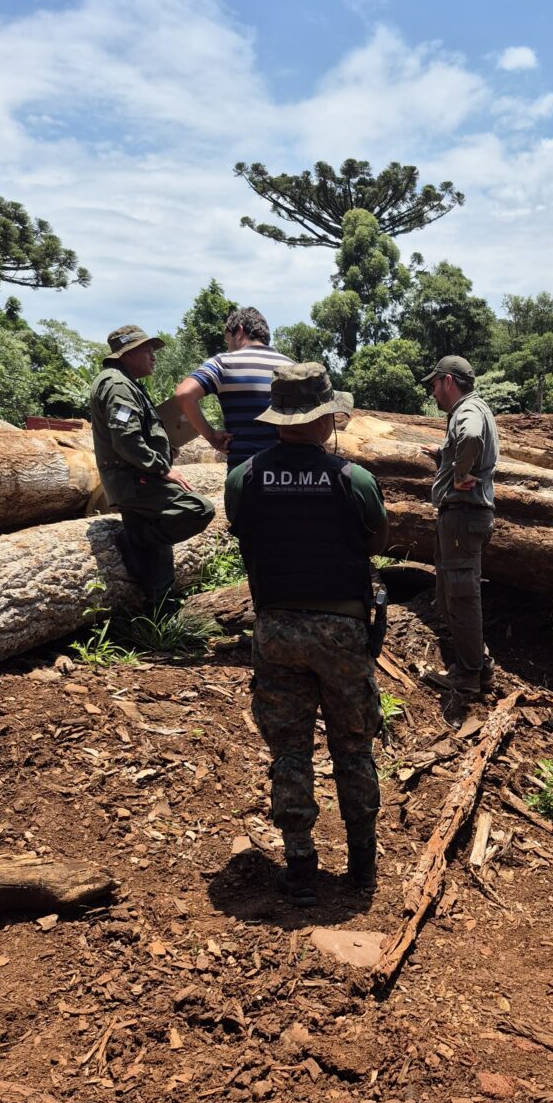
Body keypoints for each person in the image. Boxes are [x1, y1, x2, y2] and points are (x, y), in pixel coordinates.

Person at [225, 362, 389, 908]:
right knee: (353, 745)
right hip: (341, 630)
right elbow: (374, 539)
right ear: (323, 418)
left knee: (290, 750)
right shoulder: (354, 479)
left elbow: (243, 528)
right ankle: (361, 866)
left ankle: (299, 866)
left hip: (276, 630)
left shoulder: (243, 477)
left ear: (278, 419)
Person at [89, 324, 215, 611]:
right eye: (147, 350)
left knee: (158, 549)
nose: (153, 356)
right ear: (128, 353)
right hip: (135, 481)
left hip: (137, 478)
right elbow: (126, 439)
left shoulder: (125, 382)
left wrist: (165, 448)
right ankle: (134, 540)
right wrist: (162, 467)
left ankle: (160, 612)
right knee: (198, 510)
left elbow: (134, 434)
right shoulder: (118, 386)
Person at [419, 354, 500, 698]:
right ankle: (478, 667)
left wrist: (461, 473)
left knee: (461, 595)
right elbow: (465, 443)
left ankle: (467, 675)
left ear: (448, 381)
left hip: (463, 517)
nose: (433, 392)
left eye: (435, 384)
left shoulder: (467, 412)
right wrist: (444, 456)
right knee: (455, 593)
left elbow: (469, 436)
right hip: (464, 518)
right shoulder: (475, 407)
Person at [171, 305, 295, 468]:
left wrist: (210, 435)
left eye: (228, 340)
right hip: (286, 474)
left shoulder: (223, 363)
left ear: (240, 331)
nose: (228, 347)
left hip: (243, 474)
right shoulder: (292, 367)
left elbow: (184, 394)